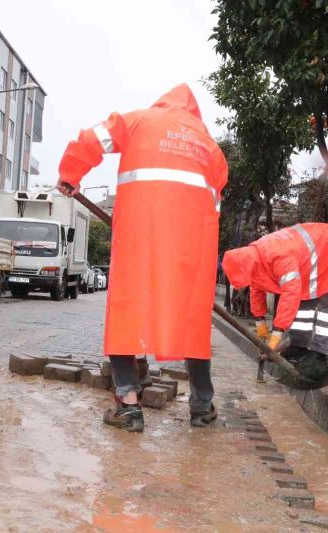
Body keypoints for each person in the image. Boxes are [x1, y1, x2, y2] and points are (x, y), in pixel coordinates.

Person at [57, 84, 228, 432]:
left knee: (126, 313)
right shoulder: (210, 147)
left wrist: (70, 174)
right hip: (191, 250)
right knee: (192, 324)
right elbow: (216, 204)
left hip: (140, 240)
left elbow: (92, 138)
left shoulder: (139, 122)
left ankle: (129, 407)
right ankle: (202, 408)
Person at [222, 223, 328, 386]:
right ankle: (299, 346)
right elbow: (256, 287)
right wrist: (260, 322)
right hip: (315, 260)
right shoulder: (255, 257)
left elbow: (290, 295)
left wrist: (277, 332)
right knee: (304, 305)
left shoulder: (278, 256)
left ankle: (319, 354)